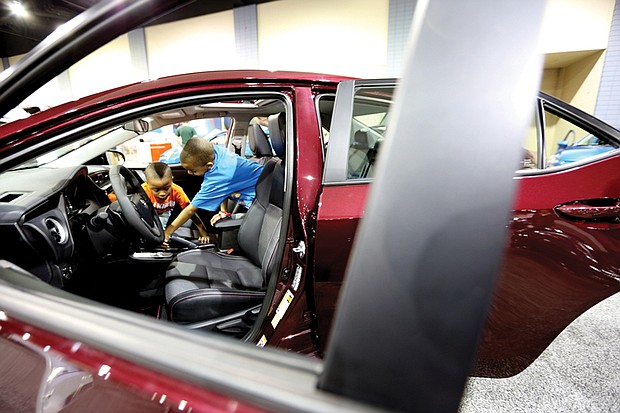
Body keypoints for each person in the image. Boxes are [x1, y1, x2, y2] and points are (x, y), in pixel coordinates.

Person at [163, 137, 264, 244]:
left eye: (193, 171)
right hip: (254, 187)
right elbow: (224, 188)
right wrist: (223, 211)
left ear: (209, 165)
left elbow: (190, 210)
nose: (189, 173)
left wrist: (168, 232)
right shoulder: (216, 152)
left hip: (259, 197)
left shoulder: (219, 177)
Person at [141, 162, 209, 242]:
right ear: (147, 183)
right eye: (156, 190)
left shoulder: (177, 191)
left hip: (167, 214)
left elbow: (191, 212)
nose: (162, 193)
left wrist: (203, 232)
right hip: (151, 214)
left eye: (166, 188)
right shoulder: (143, 190)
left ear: (172, 180)